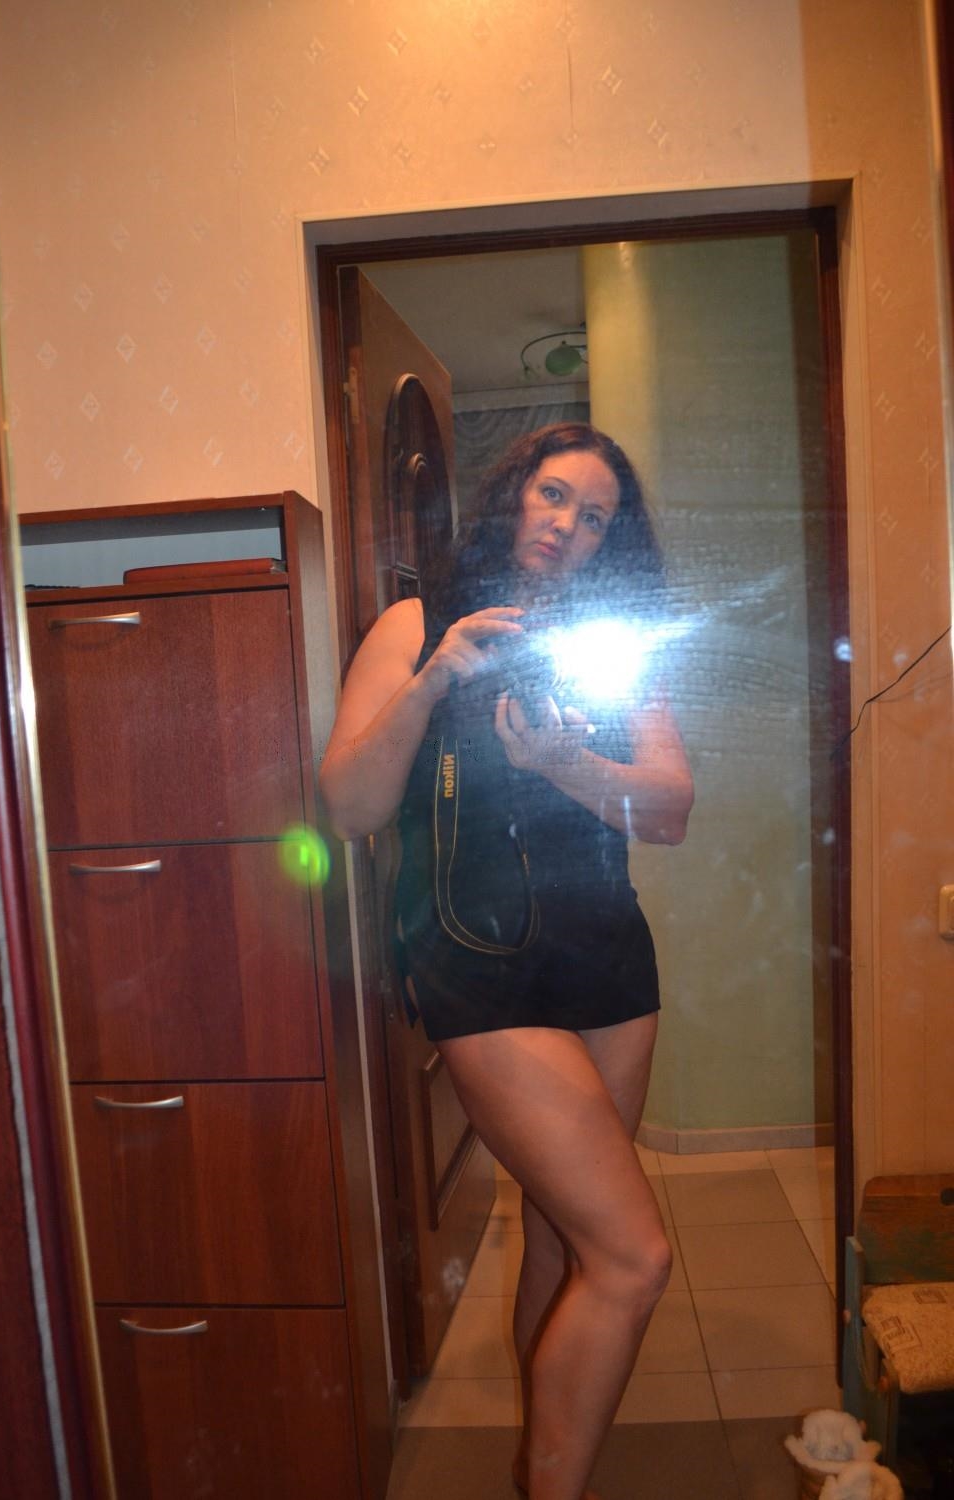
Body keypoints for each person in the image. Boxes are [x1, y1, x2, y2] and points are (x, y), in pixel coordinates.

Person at [320, 422, 694, 1500]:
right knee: (632, 1255)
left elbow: (670, 808)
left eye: (597, 517)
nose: (569, 525)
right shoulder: (418, 623)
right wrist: (436, 676)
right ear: (514, 495)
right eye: (554, 495)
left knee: (566, 1237)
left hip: (607, 964)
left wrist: (563, 759)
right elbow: (349, 807)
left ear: (610, 543)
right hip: (474, 968)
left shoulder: (613, 641)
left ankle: (545, 1459)